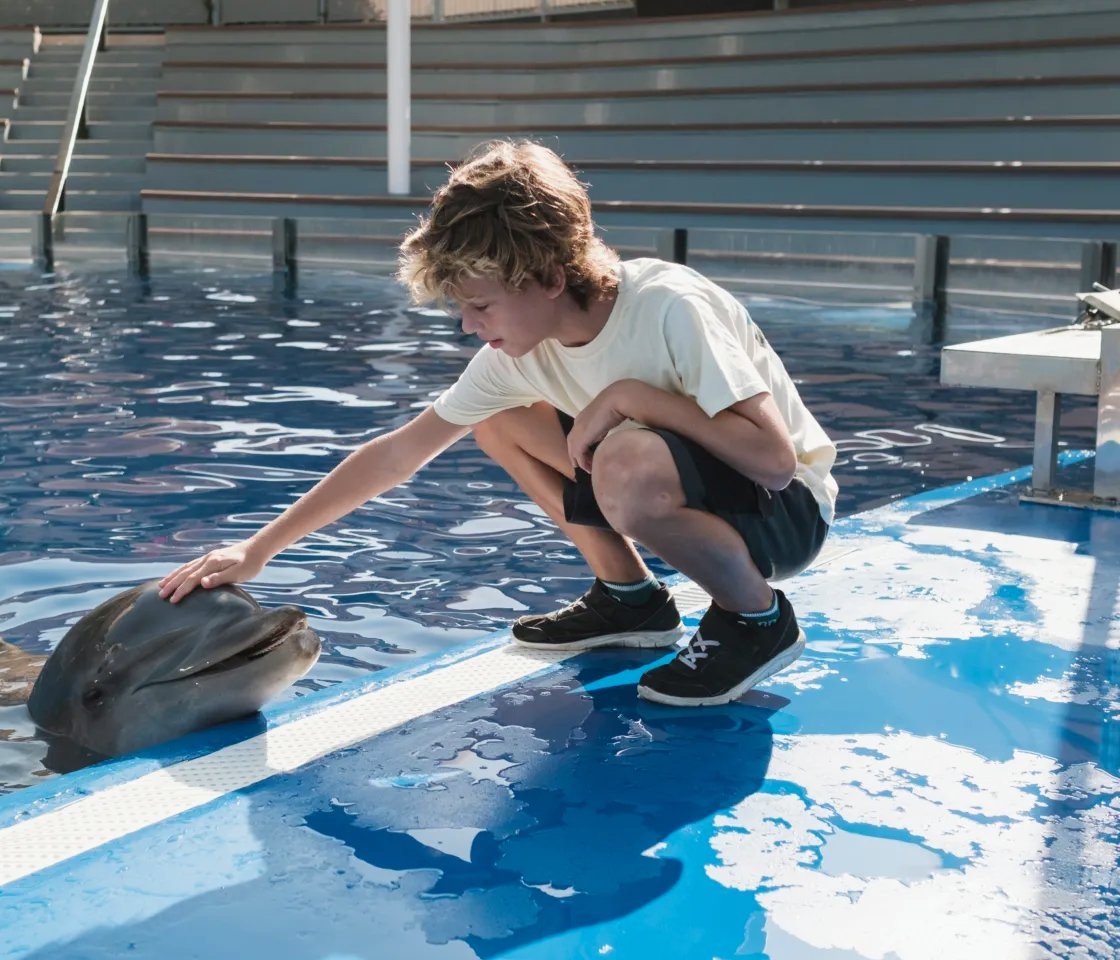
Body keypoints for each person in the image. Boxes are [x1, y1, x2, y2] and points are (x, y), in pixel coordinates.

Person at [159, 139, 837, 707]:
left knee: (627, 458)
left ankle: (756, 619)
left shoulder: (666, 307)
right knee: (500, 422)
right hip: (702, 489)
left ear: (546, 277)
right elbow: (399, 453)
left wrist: (631, 396)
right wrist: (259, 549)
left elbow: (773, 461)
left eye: (480, 304)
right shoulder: (519, 356)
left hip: (785, 514)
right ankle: (631, 600)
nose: (467, 324)